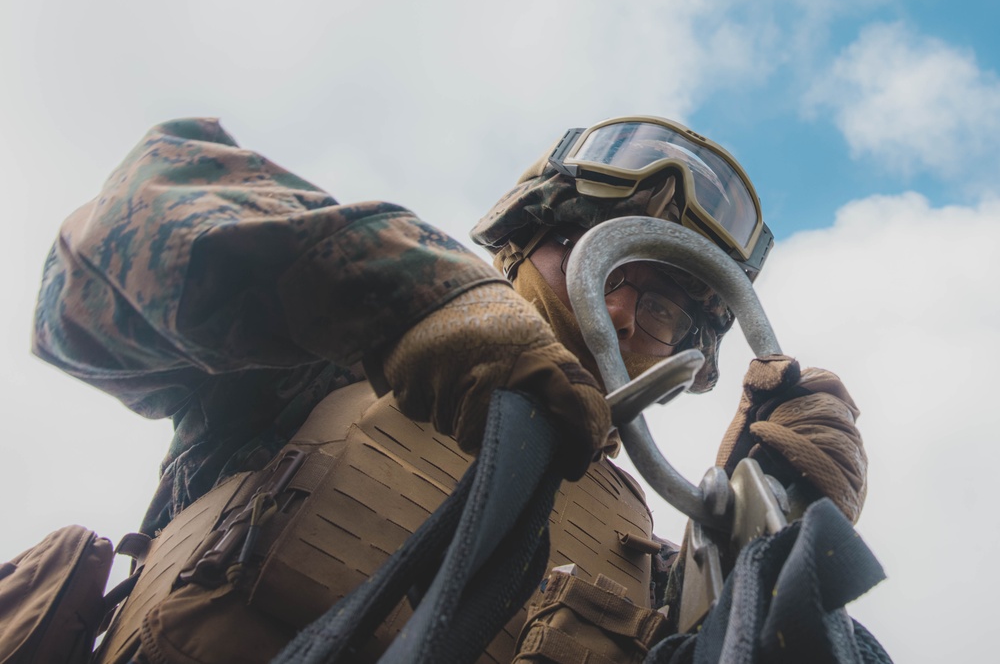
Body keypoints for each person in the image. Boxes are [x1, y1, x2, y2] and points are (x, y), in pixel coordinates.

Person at [32, 116, 867, 663]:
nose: (617, 306)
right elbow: (105, 251)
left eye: (658, 302)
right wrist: (401, 295)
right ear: (520, 242)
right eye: (587, 250)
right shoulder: (322, 368)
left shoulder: (647, 560)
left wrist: (766, 554)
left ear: (692, 350)